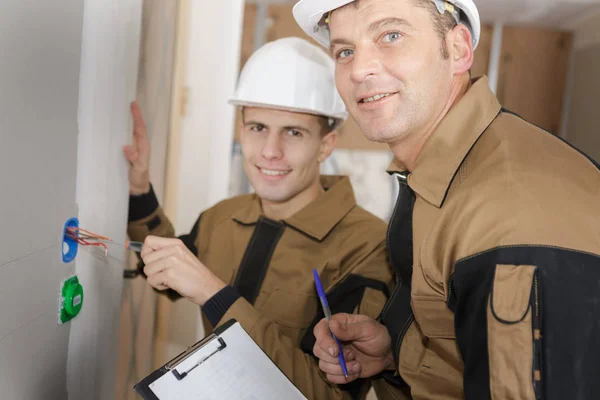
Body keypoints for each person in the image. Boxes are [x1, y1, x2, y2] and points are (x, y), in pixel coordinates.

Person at [293, 0, 600, 398]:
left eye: (391, 35)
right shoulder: (443, 173)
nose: (359, 69)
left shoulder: (508, 208)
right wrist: (396, 356)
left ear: (458, 49)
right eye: (345, 51)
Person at [125, 37, 396, 399]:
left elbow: (330, 395)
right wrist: (139, 190)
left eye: (293, 133)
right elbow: (166, 271)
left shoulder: (368, 246)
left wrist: (212, 293)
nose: (270, 152)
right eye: (257, 128)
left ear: (326, 145)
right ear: (241, 130)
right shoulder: (224, 216)